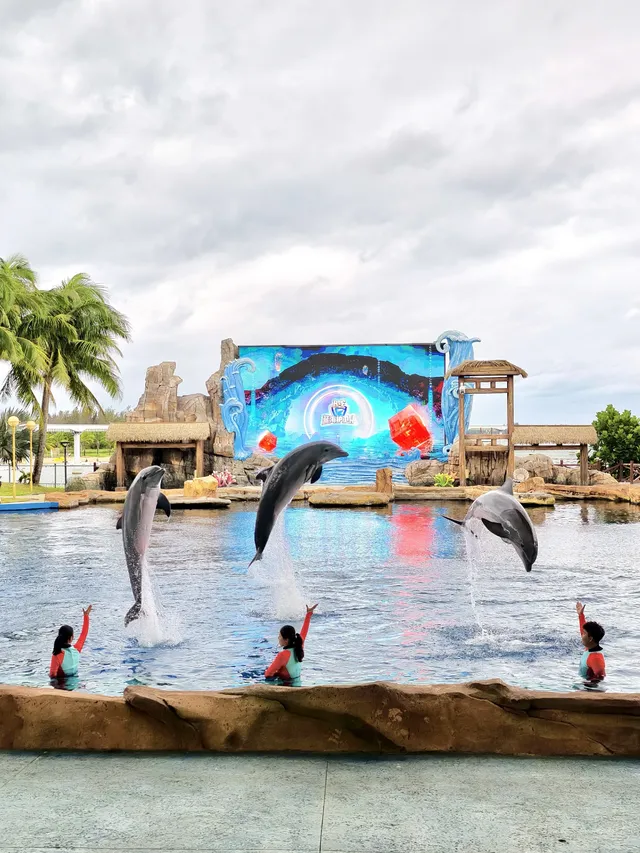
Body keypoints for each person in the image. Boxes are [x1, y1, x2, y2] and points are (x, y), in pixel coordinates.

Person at [265, 603, 318, 686]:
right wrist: (309, 614)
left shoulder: (282, 655)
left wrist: (277, 673)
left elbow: (268, 674)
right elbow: (304, 631)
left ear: (286, 640)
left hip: (287, 687)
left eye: (280, 636)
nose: (278, 638)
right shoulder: (300, 645)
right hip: (298, 685)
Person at [49, 605, 92, 680]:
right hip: (75, 682)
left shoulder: (57, 654)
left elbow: (53, 675)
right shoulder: (76, 650)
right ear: (71, 638)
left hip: (62, 685)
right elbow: (84, 634)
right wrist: (86, 616)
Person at [576, 601, 606, 684]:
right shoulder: (590, 648)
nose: (581, 635)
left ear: (590, 638)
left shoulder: (596, 658)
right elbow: (584, 630)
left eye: (584, 634)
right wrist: (581, 615)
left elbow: (600, 680)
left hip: (588, 690)